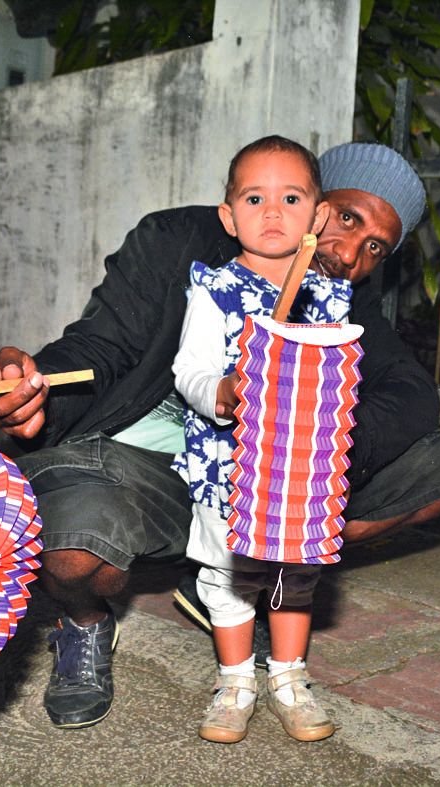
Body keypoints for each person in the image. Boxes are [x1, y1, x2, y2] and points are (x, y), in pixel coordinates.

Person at [0, 141, 440, 730]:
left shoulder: (337, 294)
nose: (349, 252)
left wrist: (322, 448)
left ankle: (231, 580)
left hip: (255, 484)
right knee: (74, 548)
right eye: (347, 218)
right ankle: (85, 624)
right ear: (315, 203)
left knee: (435, 473)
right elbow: (100, 345)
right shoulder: (180, 246)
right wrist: (36, 384)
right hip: (144, 467)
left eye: (375, 247)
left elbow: (411, 391)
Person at [170, 136, 346, 743]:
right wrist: (219, 392)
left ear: (318, 216)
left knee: (294, 576)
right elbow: (188, 370)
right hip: (229, 465)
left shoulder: (328, 295)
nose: (272, 212)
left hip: (301, 467)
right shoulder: (215, 291)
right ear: (229, 216)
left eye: (291, 198)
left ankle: (289, 678)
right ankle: (235, 681)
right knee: (227, 575)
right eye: (254, 198)